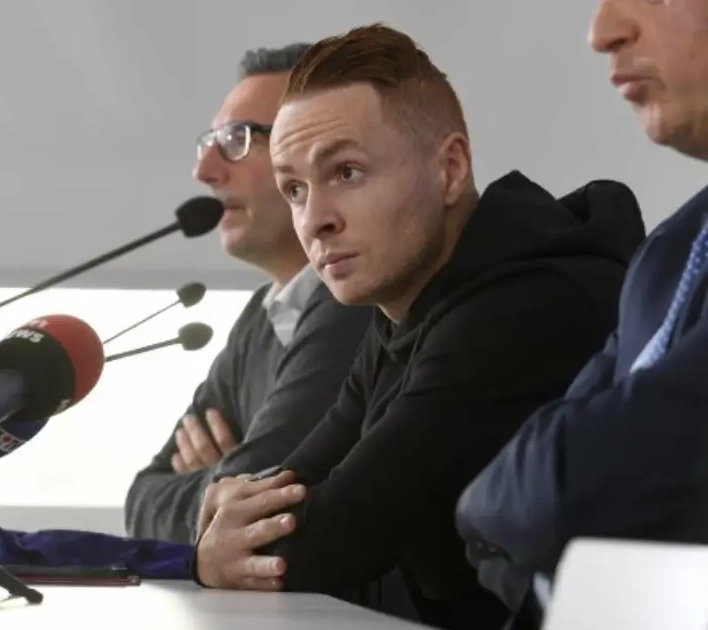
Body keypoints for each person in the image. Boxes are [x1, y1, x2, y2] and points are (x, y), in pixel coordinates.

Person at [190, 24, 646, 630]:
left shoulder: (523, 307)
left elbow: (325, 543)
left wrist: (215, 545)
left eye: (346, 173)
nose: (316, 220)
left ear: (450, 169)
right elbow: (289, 491)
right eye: (295, 189)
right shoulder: (402, 309)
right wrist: (223, 523)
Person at [456, 1, 708, 625]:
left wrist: (546, 522)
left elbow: (573, 484)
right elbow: (503, 508)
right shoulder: (671, 251)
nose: (602, 32)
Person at [124, 44, 372, 544]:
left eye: (237, 140)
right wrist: (220, 486)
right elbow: (141, 500)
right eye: (210, 143)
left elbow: (260, 497)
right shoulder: (261, 316)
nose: (205, 171)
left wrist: (227, 481)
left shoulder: (358, 302)